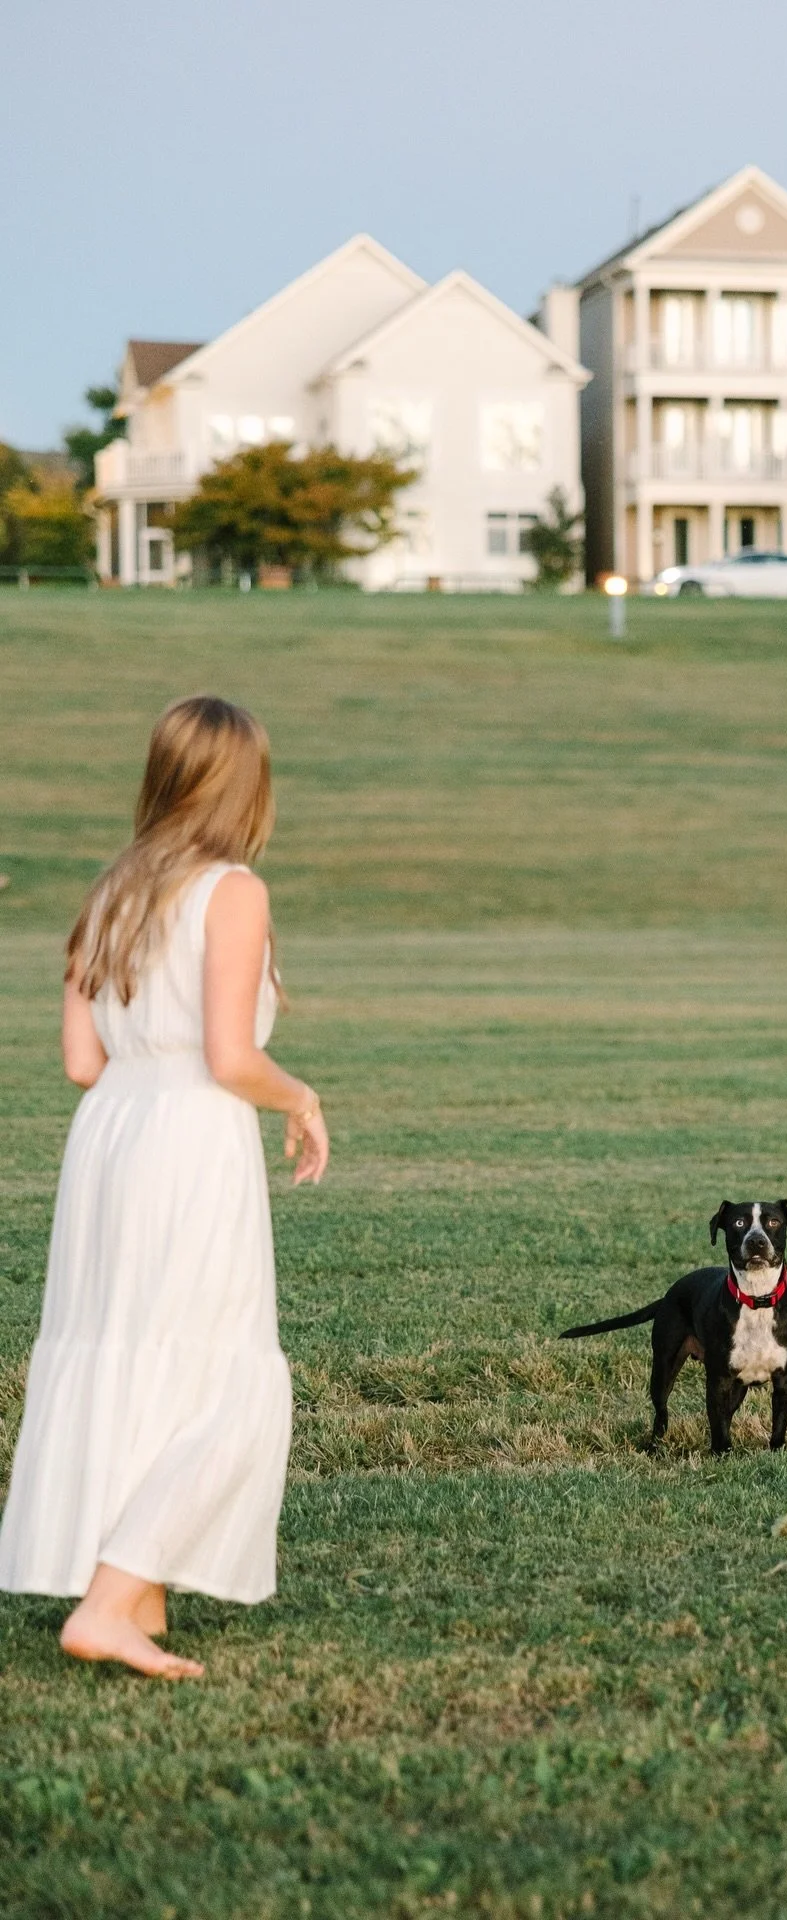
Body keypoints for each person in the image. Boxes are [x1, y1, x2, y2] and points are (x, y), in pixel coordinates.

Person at [0, 695, 328, 1679]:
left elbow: (80, 1062)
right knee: (223, 1374)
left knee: (130, 1354)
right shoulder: (233, 891)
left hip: (110, 1141)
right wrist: (300, 1096)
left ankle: (135, 1594)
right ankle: (110, 1598)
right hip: (190, 1137)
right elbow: (231, 1057)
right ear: (246, 787)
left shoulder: (109, 894)